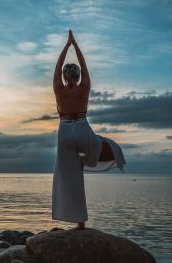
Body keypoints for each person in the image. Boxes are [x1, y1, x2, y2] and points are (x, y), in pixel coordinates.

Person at [51, 30, 116, 230]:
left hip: (64, 132)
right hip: (81, 128)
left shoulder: (58, 89)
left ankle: (79, 221)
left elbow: (57, 65)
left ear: (63, 76)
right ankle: (90, 160)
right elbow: (84, 64)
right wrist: (74, 44)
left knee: (69, 177)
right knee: (105, 146)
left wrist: (66, 45)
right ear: (78, 76)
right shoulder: (84, 87)